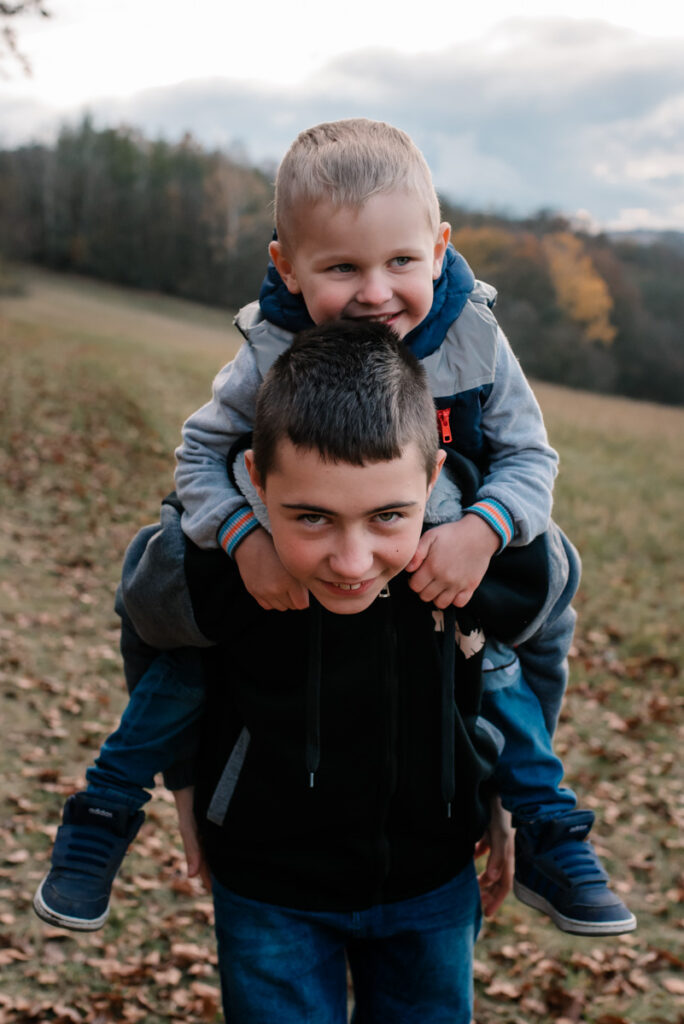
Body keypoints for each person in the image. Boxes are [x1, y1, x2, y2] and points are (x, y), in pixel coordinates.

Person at [34, 118, 635, 938]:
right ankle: (104, 810)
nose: (376, 291)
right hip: (285, 534)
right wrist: (245, 544)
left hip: (440, 541)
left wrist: (486, 532)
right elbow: (200, 457)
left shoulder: (475, 337)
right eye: (342, 267)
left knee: (501, 639)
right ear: (286, 264)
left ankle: (547, 822)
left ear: (440, 245)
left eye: (400, 262)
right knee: (187, 618)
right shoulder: (269, 345)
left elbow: (533, 459)